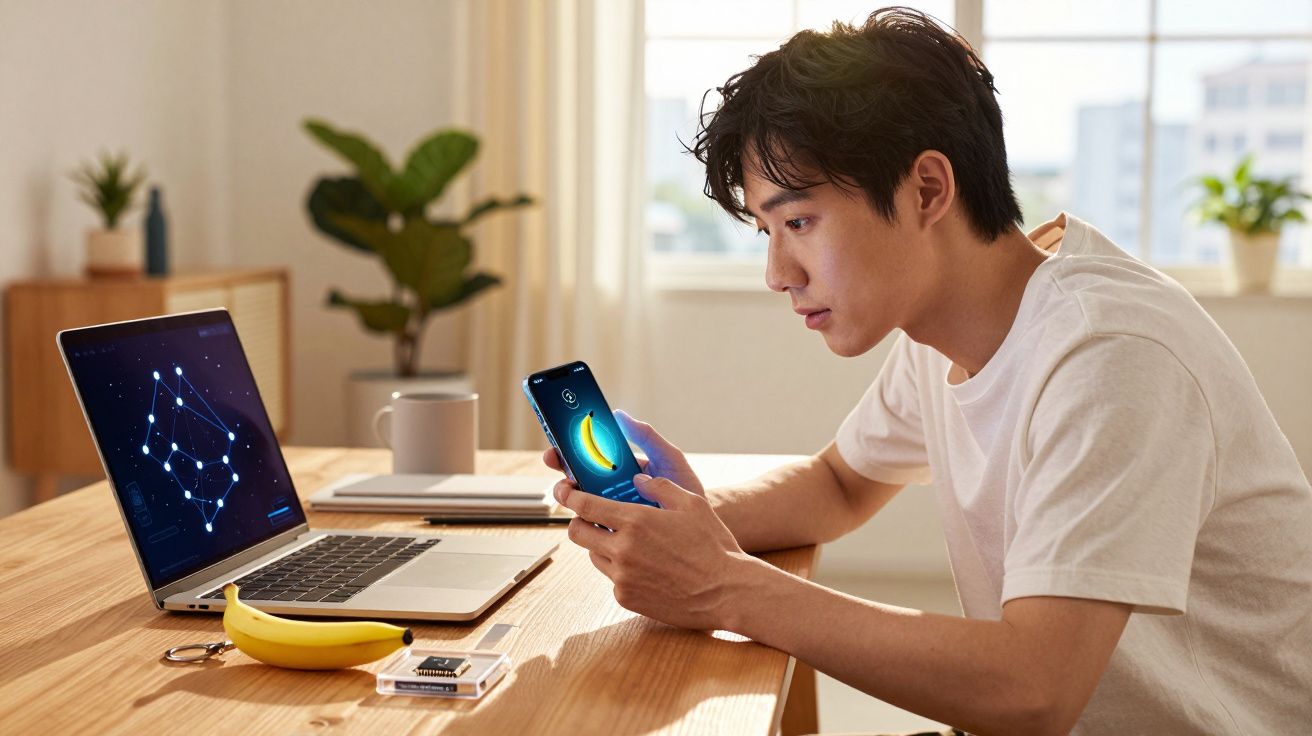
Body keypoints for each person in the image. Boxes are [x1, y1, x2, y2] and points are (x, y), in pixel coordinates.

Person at [542, 7, 1312, 734]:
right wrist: (682, 518)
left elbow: (1035, 689)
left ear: (928, 190)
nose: (778, 273)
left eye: (799, 221)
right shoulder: (944, 323)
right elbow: (839, 486)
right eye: (767, 231)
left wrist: (723, 583)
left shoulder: (1110, 354)